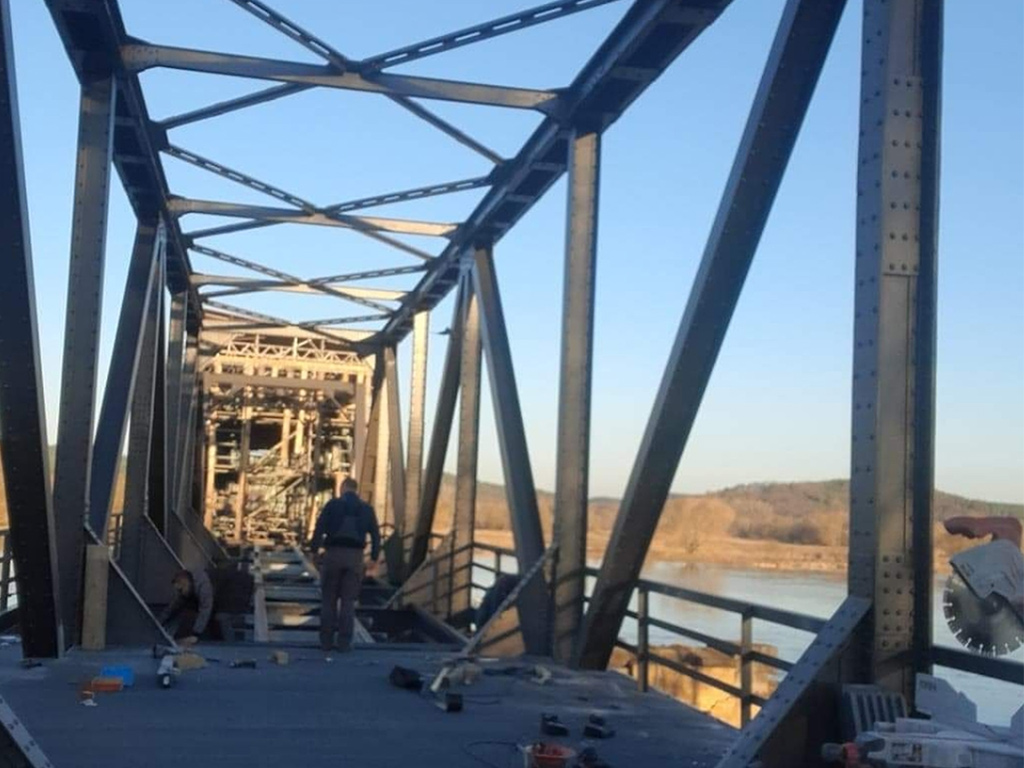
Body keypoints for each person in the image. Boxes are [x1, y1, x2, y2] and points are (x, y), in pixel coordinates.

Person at [310, 478, 381, 652]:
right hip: (355, 558)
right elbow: (376, 535)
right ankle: (344, 643)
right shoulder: (367, 509)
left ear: (342, 489)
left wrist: (313, 551)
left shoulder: (332, 505)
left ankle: (326, 642)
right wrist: (373, 557)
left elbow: (319, 529)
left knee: (329, 600)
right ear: (356, 490)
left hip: (333, 555)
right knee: (348, 603)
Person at [157, 566, 254, 644]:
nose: (180, 593)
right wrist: (160, 621)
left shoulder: (203, 585)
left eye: (180, 590)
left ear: (185, 583)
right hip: (227, 588)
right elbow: (175, 605)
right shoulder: (188, 586)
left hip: (238, 587)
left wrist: (196, 634)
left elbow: (206, 608)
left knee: (222, 617)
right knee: (203, 613)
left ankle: (230, 646)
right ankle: (222, 641)